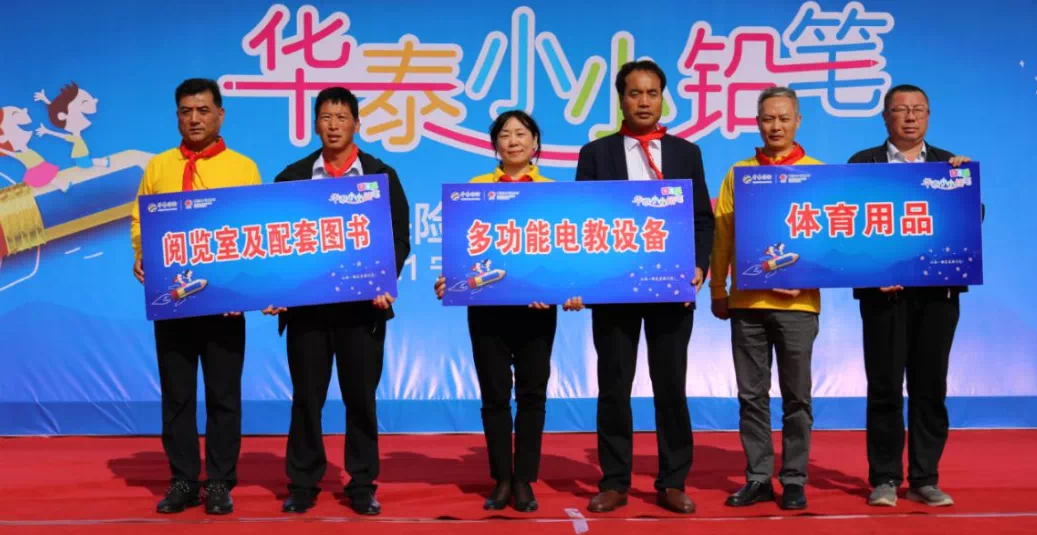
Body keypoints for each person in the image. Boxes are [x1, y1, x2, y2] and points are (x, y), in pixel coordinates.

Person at [574, 60, 714, 514]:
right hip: (614, 290)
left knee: (670, 385)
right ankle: (615, 481)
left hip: (671, 288)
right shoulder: (596, 154)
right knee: (614, 385)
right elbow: (582, 221)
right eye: (635, 93)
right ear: (621, 99)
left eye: (652, 93)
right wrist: (585, 279)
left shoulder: (686, 153)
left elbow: (701, 219)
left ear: (663, 98)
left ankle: (673, 480)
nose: (644, 101)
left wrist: (699, 266)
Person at [263, 86, 410, 516]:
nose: (333, 125)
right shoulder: (292, 178)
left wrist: (385, 279)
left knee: (360, 399)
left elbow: (399, 238)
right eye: (326, 117)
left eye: (342, 117)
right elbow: (277, 242)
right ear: (315, 124)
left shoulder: (381, 176)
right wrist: (277, 289)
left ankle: (362, 483)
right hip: (308, 312)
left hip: (363, 310)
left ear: (356, 124)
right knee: (306, 399)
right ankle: (303, 483)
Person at [433, 110, 583, 512]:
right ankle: (501, 478)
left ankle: (524, 480)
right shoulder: (474, 189)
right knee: (495, 395)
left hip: (536, 311)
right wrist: (451, 280)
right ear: (495, 144)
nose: (513, 141)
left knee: (532, 395)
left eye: (521, 134)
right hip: (488, 311)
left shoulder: (553, 192)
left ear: (535, 143)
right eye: (505, 134)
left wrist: (565, 290)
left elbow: (565, 254)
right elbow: (463, 253)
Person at [129, 78, 262, 515]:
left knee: (224, 395)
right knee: (177, 395)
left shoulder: (243, 168)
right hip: (174, 301)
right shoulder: (158, 167)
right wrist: (143, 256)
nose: (195, 119)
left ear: (220, 115)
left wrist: (245, 288)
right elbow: (140, 220)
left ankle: (220, 481)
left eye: (203, 110)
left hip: (225, 305)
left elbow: (255, 231)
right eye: (186, 111)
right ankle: (183, 479)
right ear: (177, 117)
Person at [848, 84, 971, 508]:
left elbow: (971, 219)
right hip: (884, 297)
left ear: (929, 115)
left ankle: (924, 477)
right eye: (901, 109)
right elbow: (846, 226)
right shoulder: (862, 164)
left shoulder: (948, 165)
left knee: (930, 387)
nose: (911, 117)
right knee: (884, 387)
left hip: (937, 295)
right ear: (885, 116)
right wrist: (872, 273)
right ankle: (884, 478)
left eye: (919, 109)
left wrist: (963, 185)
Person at [710, 87, 821, 511]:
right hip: (747, 305)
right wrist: (718, 289)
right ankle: (758, 477)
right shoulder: (739, 173)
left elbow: (829, 241)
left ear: (798, 121)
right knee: (751, 397)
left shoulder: (817, 174)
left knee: (797, 397)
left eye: (783, 118)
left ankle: (793, 479)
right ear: (757, 123)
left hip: (799, 307)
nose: (775, 126)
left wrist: (807, 275)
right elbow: (722, 235)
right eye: (767, 119)